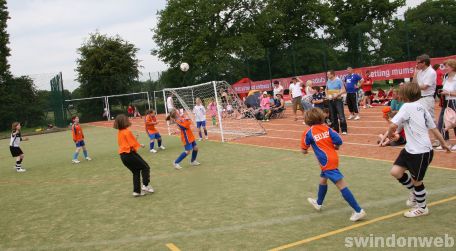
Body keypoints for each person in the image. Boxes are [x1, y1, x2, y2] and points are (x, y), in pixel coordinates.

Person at [380, 83, 450, 217]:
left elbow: (393, 126)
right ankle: (415, 192)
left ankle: (422, 208)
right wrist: (444, 144)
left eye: (400, 92)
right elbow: (434, 129)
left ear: (405, 95)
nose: (398, 94)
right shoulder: (421, 107)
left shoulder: (407, 106)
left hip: (420, 151)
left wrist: (389, 137)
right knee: (395, 172)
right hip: (411, 149)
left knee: (417, 181)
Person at [302, 108, 366, 222]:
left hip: (325, 162)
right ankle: (318, 203)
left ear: (308, 120)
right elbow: (339, 140)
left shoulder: (308, 133)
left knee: (341, 185)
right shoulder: (327, 129)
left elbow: (303, 149)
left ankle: (358, 210)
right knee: (323, 180)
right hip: (333, 158)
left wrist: (306, 151)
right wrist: (335, 147)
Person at [113, 114, 154, 197]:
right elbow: (132, 144)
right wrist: (139, 144)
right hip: (129, 154)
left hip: (123, 156)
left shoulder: (120, 132)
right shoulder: (127, 131)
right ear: (124, 122)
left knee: (136, 172)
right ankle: (145, 185)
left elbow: (128, 142)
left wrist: (137, 142)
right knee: (145, 167)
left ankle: (136, 191)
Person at [436, 59, 456, 151]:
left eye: (447, 66)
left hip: (454, 102)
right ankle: (446, 142)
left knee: (454, 122)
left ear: (452, 67)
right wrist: (442, 93)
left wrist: (448, 93)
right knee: (441, 122)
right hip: (446, 102)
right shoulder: (445, 76)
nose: (445, 68)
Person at [412, 54, 437, 121]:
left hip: (427, 98)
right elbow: (414, 83)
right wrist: (415, 73)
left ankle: (437, 132)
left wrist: (415, 86)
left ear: (424, 63)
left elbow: (425, 87)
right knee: (418, 119)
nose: (416, 65)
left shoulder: (431, 72)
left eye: (418, 63)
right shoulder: (420, 71)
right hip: (419, 98)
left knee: (430, 120)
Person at [326, 70, 348, 134]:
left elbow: (344, 90)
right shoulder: (328, 81)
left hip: (338, 100)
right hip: (330, 100)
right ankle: (336, 130)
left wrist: (337, 94)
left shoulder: (338, 80)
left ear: (332, 74)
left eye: (328, 74)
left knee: (341, 115)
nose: (327, 75)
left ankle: (344, 129)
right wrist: (327, 95)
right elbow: (326, 89)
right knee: (333, 116)